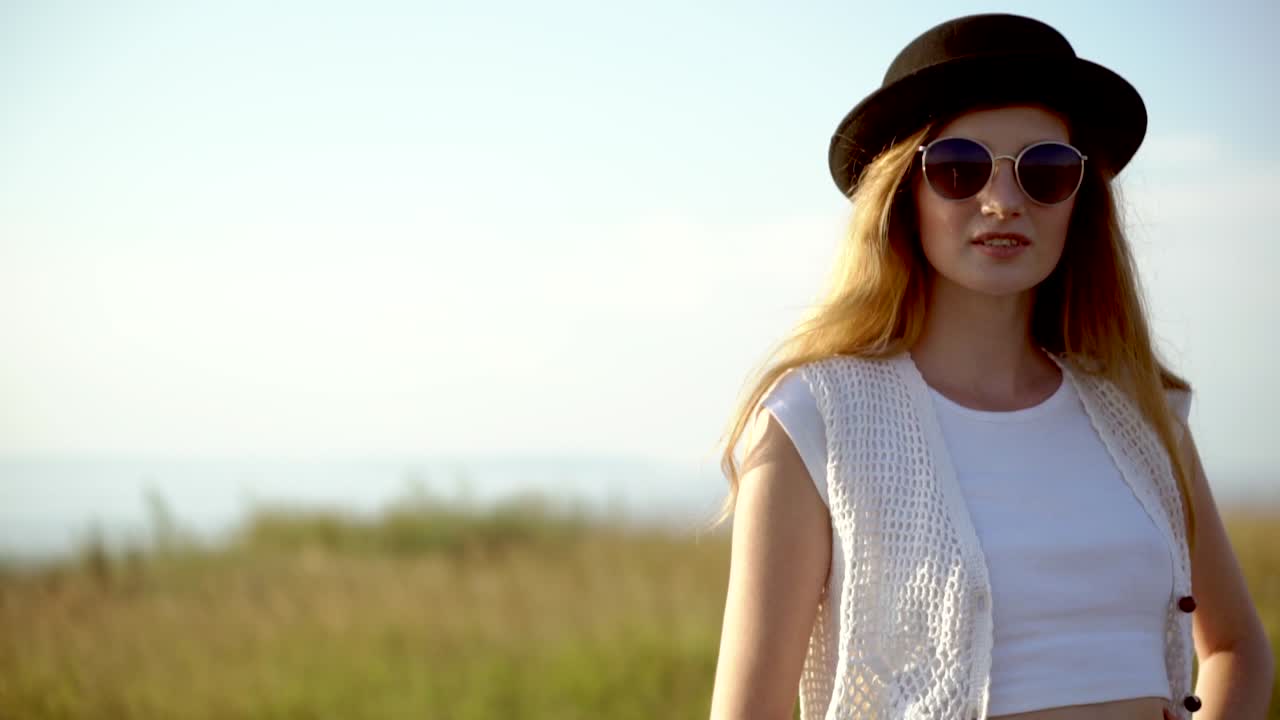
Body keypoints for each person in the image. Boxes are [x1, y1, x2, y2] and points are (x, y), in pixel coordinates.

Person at [706, 13, 1273, 720]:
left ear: (1080, 198)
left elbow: (1235, 648)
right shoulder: (816, 421)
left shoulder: (1143, 416)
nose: (1003, 201)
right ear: (903, 194)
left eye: (1045, 170)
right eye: (958, 168)